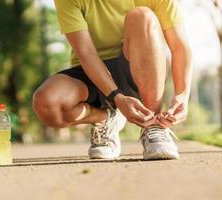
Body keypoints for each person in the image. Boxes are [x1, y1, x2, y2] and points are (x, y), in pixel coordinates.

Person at [33, 0, 192, 160]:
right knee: (47, 103)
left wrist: (183, 95)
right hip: (93, 70)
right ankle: (106, 117)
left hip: (137, 68)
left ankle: (155, 126)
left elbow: (179, 47)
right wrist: (117, 97)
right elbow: (86, 52)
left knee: (141, 15)